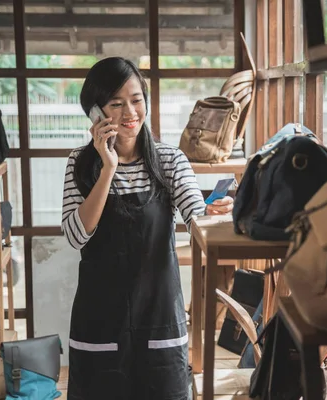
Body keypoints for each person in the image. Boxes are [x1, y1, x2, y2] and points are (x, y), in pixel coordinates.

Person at [61, 57, 234, 400]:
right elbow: (76, 235)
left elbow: (196, 218)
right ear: (95, 112)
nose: (130, 112)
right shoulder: (79, 165)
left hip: (159, 316)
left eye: (137, 99)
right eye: (116, 103)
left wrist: (214, 213)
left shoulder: (170, 160)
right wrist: (107, 167)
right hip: (100, 317)